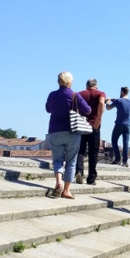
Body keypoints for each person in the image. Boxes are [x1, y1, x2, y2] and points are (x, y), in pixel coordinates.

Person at [45, 71, 91, 199]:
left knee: (57, 160)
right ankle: (66, 190)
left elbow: (48, 109)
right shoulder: (75, 95)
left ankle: (58, 182)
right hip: (72, 131)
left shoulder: (52, 95)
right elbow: (88, 110)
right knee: (71, 161)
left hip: (54, 130)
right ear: (69, 83)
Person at [75, 78, 106, 185]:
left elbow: (74, 106)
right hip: (94, 126)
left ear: (87, 85)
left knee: (80, 150)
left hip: (81, 125)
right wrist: (98, 119)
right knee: (93, 153)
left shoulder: (80, 94)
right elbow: (102, 103)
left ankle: (79, 171)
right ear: (96, 85)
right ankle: (91, 178)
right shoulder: (100, 93)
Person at [106, 86, 130, 166]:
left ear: (121, 92)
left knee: (114, 140)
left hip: (119, 124)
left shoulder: (119, 100)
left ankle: (117, 159)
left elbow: (108, 108)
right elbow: (123, 104)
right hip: (128, 125)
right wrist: (115, 100)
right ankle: (125, 161)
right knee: (126, 143)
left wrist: (108, 101)